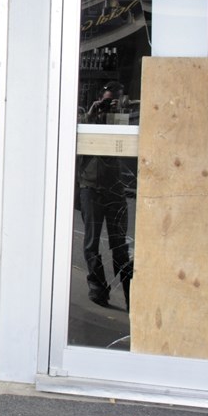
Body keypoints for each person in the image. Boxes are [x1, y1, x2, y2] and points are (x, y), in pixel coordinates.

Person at [77, 81, 133, 310]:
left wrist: (122, 113)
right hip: (90, 186)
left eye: (114, 101)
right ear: (100, 98)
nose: (109, 105)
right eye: (107, 100)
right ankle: (98, 288)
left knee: (119, 246)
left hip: (115, 190)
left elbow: (127, 145)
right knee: (91, 243)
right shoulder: (90, 119)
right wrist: (91, 115)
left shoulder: (124, 119)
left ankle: (131, 295)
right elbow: (76, 143)